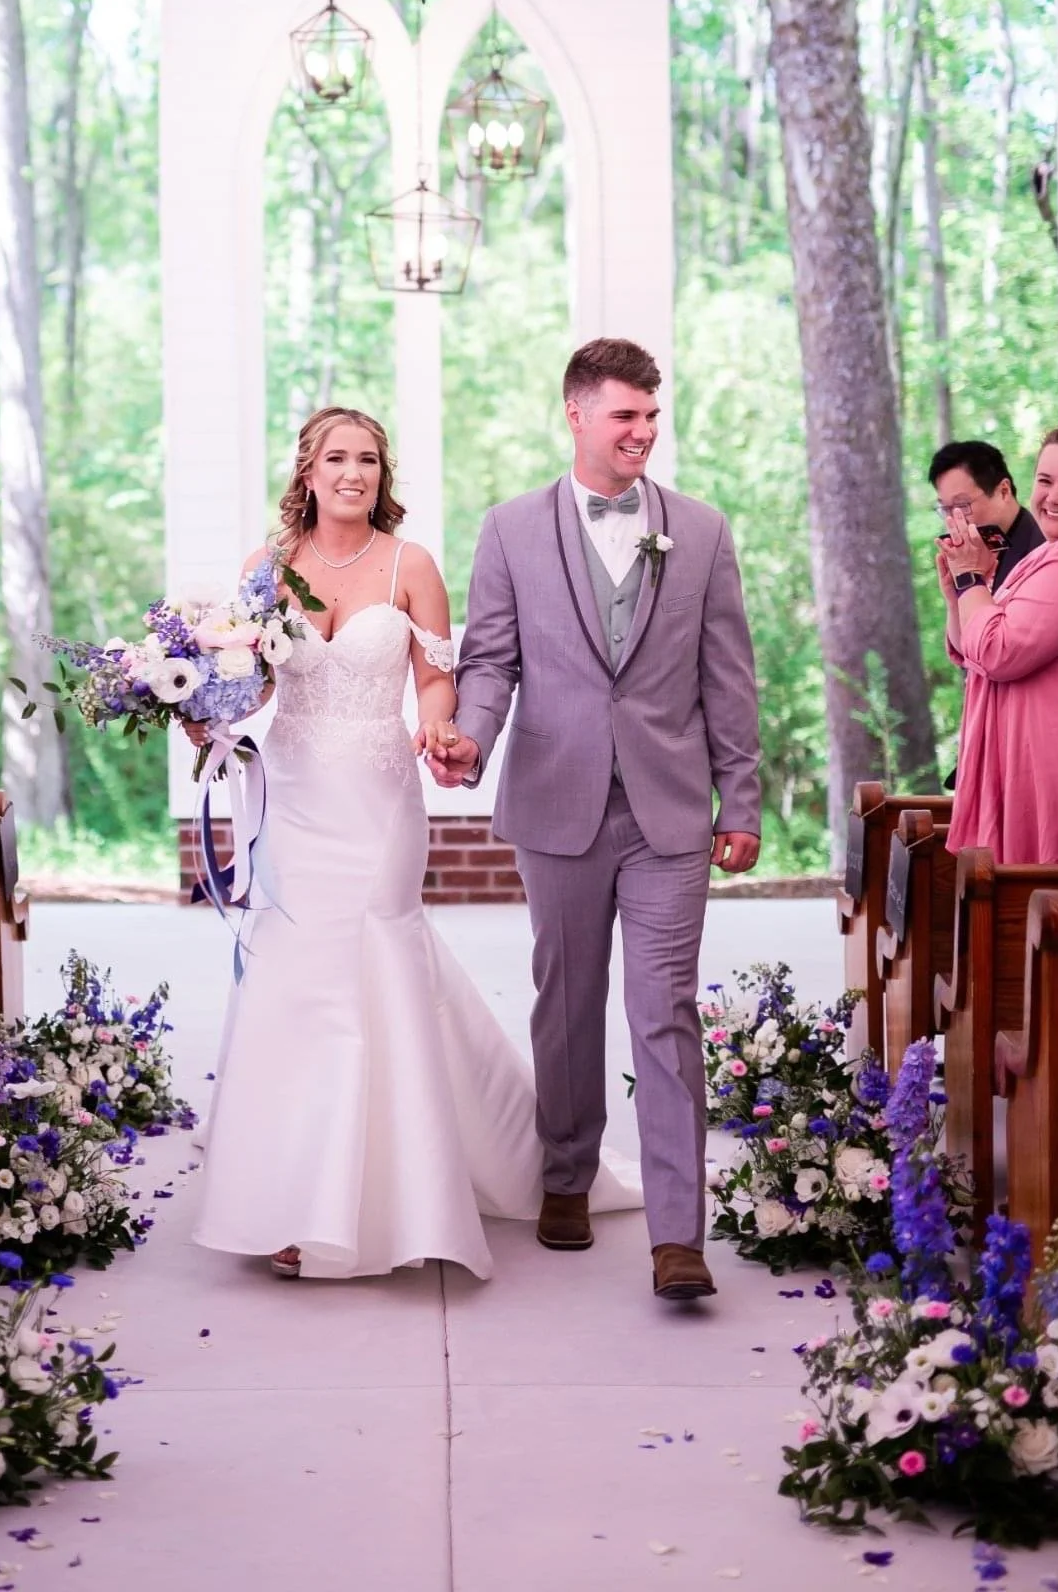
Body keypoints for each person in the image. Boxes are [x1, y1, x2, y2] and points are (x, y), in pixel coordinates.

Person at [191, 406, 642, 1283]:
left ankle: (390, 1195)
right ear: (308, 471)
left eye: (367, 459)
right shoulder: (265, 568)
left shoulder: (411, 565)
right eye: (336, 458)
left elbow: (438, 680)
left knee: (372, 964)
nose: (352, 473)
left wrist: (439, 728)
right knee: (295, 978)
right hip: (294, 797)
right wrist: (199, 710)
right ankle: (288, 1196)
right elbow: (250, 690)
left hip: (378, 798)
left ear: (380, 474)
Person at [429, 338, 762, 1303]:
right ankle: (567, 1176)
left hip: (669, 811)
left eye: (651, 415)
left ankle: (677, 1235)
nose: (642, 431)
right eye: (624, 414)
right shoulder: (509, 529)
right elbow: (491, 661)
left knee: (665, 1011)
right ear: (575, 414)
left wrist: (739, 800)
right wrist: (468, 740)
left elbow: (727, 678)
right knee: (565, 1002)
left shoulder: (700, 530)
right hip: (555, 801)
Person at [939, 421, 1058, 865]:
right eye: (1045, 480)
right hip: (1022, 765)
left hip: (1053, 773)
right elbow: (972, 654)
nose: (1054, 497)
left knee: (1040, 897)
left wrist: (970, 579)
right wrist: (962, 590)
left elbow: (999, 652)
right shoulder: (1044, 555)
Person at [929, 439, 1044, 591]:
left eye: (962, 505)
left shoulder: (1040, 552)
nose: (952, 521)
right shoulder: (981, 552)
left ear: (1004, 491)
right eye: (945, 508)